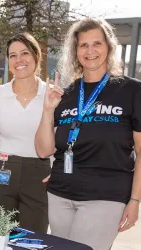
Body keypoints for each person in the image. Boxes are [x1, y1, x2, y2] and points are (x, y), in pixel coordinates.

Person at [35, 18, 141, 250]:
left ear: (109, 47)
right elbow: (43, 150)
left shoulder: (132, 90)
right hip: (60, 194)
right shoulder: (67, 94)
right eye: (83, 45)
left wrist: (135, 200)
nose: (90, 51)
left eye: (97, 44)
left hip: (106, 195)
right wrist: (47, 111)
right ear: (75, 51)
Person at [0, 33, 51, 233]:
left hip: (40, 173)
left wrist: (57, 169)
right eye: (13, 55)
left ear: (36, 56)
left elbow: (61, 139)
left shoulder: (51, 94)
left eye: (25, 53)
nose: (19, 60)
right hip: (2, 169)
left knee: (33, 239)